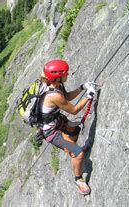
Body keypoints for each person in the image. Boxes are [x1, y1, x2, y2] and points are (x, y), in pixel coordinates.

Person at [39, 59, 97, 195]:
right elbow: (74, 110)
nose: (68, 74)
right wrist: (89, 95)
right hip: (51, 132)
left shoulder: (56, 86)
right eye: (65, 73)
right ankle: (78, 179)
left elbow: (65, 97)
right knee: (79, 152)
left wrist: (82, 87)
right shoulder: (54, 95)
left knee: (75, 130)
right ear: (57, 76)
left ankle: (72, 151)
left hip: (57, 122)